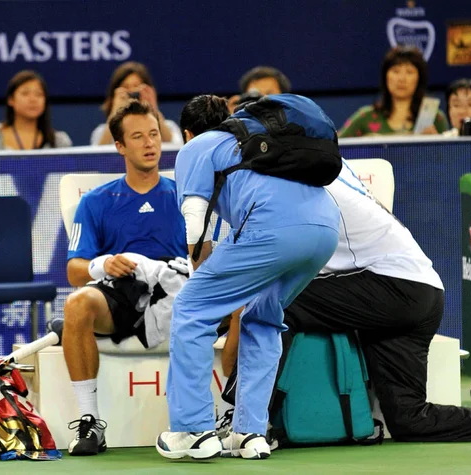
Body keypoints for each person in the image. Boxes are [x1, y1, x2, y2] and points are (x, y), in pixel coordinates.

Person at [221, 158, 471, 443]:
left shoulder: (286, 192)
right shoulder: (330, 168)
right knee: (410, 419)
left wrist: (235, 337)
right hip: (424, 290)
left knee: (280, 303)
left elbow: (261, 288)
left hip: (393, 287)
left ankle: (245, 422)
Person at [156, 94, 340, 460]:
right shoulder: (250, 147)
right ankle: (250, 432)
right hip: (324, 229)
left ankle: (193, 430)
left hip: (272, 228)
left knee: (193, 307)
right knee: (263, 318)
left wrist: (202, 285)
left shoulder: (197, 147)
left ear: (187, 133)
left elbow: (195, 221)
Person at [63, 100, 187, 456]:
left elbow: (206, 257)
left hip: (178, 293)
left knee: (249, 300)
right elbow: (74, 271)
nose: (150, 144)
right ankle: (90, 422)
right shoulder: (96, 201)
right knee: (77, 304)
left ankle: (237, 418)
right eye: (138, 137)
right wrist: (103, 265)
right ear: (120, 146)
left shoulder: (185, 195)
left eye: (154, 135)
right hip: (122, 295)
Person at [338, 46, 449, 137]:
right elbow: (333, 148)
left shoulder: (435, 118)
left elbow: (451, 159)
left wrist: (436, 144)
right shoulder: (365, 117)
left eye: (409, 72)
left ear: (419, 79)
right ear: (385, 76)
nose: (402, 78)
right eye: (396, 71)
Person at [90, 61, 183, 146]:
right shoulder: (101, 131)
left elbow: (173, 148)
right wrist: (114, 113)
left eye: (136, 86)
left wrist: (153, 109)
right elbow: (98, 155)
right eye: (125, 87)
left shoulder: (169, 126)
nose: (131, 92)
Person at [0, 70, 72, 149]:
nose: (33, 100)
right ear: (11, 100)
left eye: (39, 94)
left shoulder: (59, 142)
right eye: (25, 93)